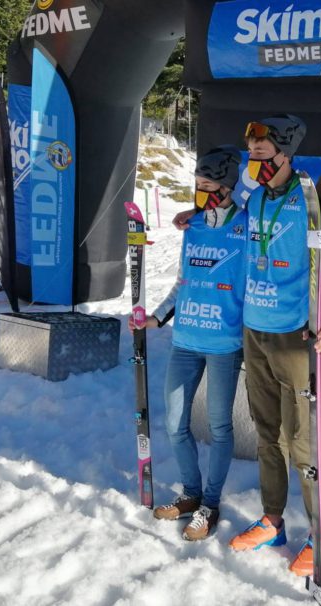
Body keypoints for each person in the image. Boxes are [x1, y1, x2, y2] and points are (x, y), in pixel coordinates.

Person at [226, 115, 321, 577]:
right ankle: (273, 521)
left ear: (285, 154)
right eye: (251, 156)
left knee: (300, 441)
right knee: (265, 433)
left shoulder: (315, 202)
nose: (255, 164)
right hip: (254, 331)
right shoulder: (256, 197)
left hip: (295, 336)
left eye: (262, 156)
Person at [129, 145, 246, 541]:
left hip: (223, 344)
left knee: (217, 427)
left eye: (207, 185)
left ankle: (211, 504)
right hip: (186, 340)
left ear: (227, 188)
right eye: (196, 184)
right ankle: (191, 494)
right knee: (175, 424)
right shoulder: (193, 227)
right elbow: (183, 282)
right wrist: (157, 315)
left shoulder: (246, 228)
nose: (199, 191)